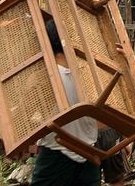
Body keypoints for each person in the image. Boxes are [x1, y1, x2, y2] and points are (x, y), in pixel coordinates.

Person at [31, 20, 99, 185]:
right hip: (88, 156)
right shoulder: (93, 75)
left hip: (55, 157)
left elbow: (28, 121)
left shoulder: (42, 77)